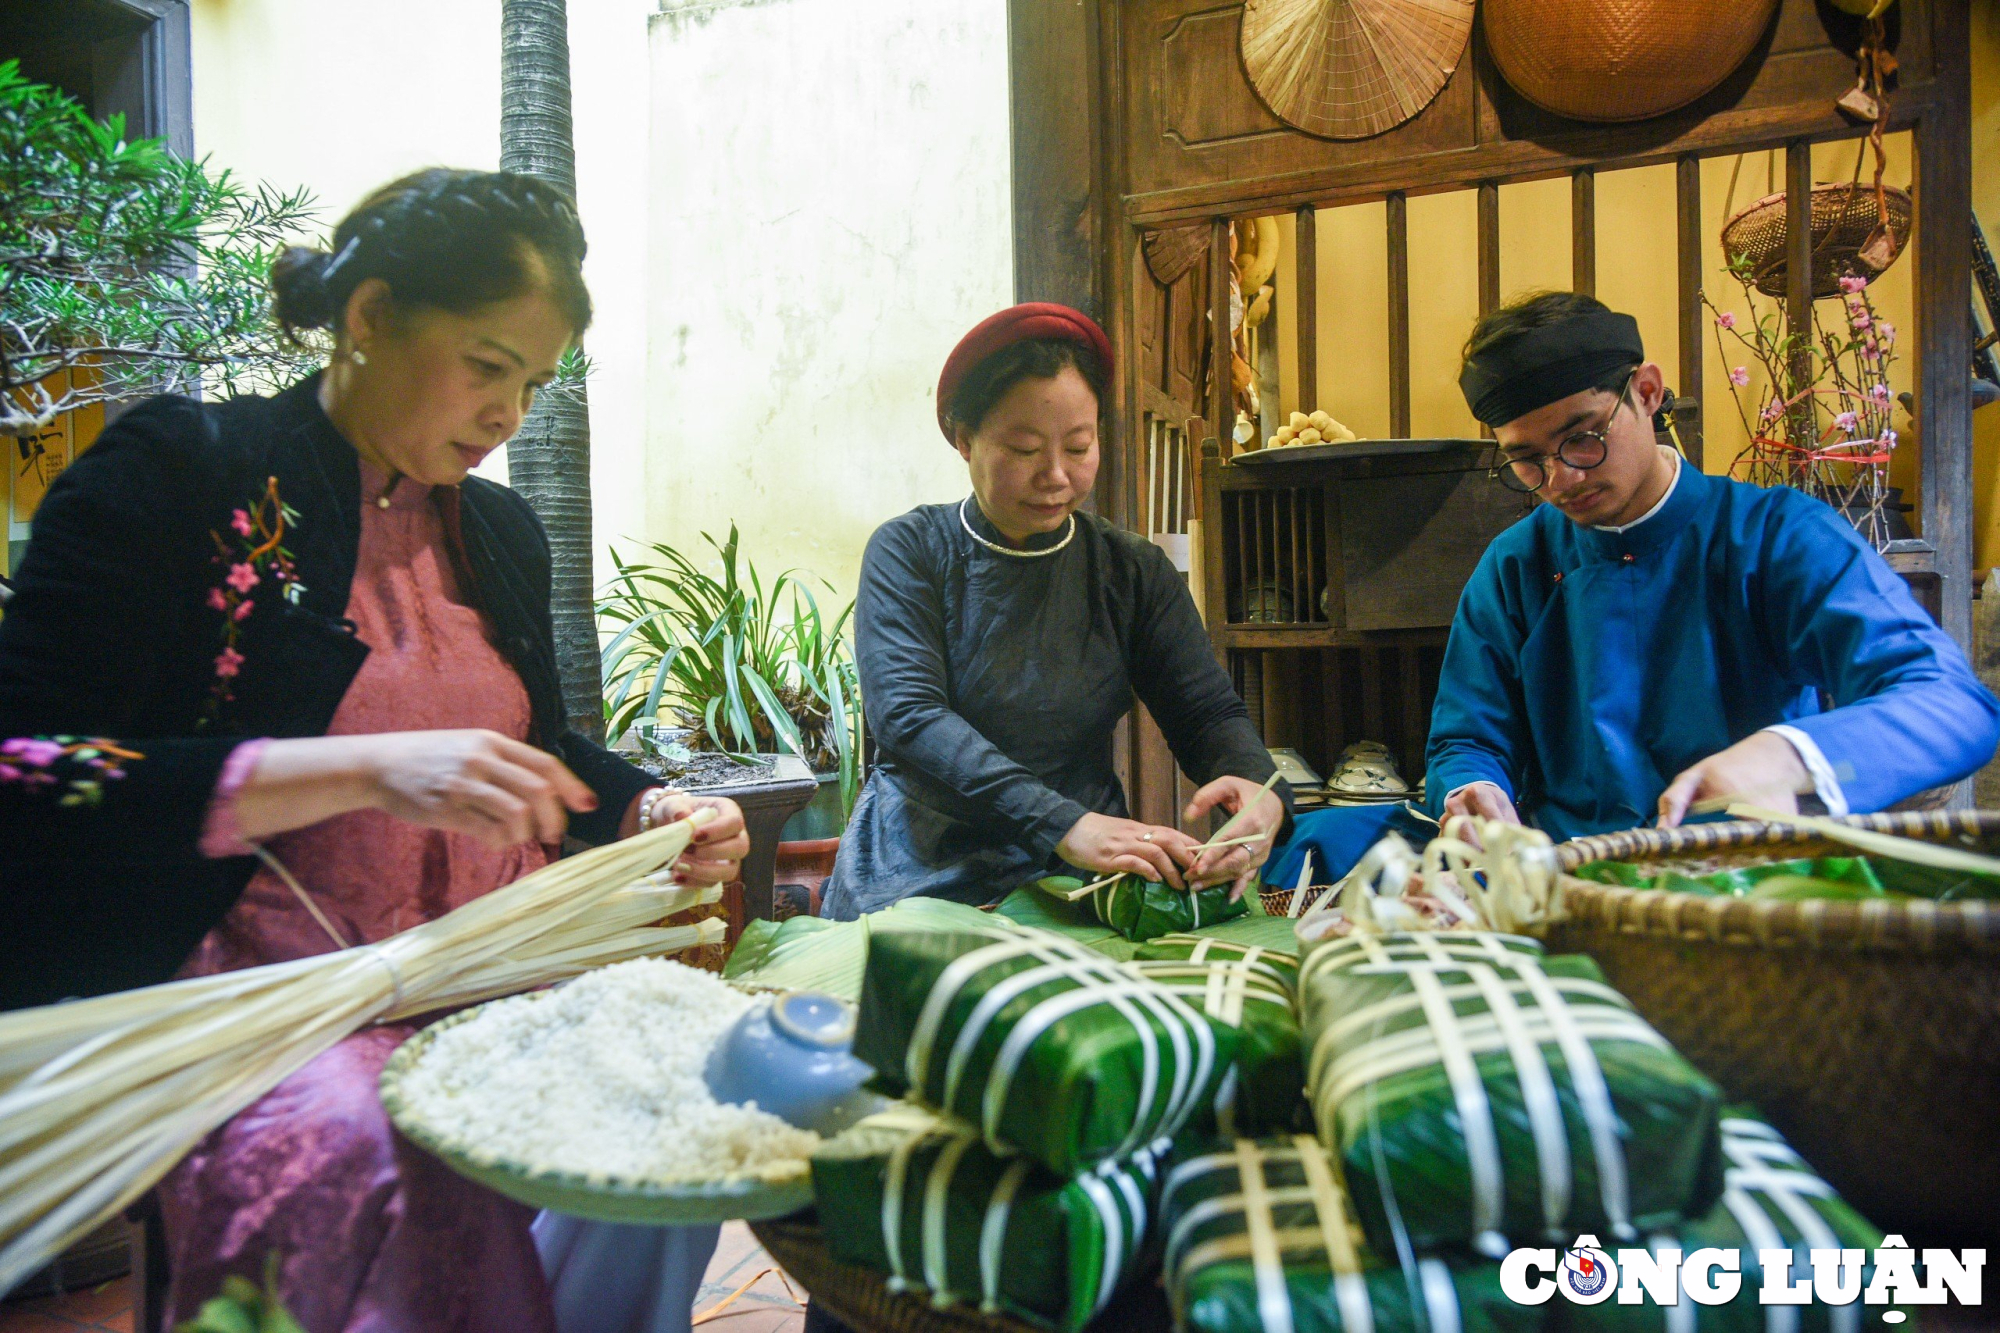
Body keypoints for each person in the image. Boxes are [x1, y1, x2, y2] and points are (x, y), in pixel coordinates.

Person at [0, 169, 749, 1332]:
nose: (509, 414)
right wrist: (360, 766)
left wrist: (648, 804)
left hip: (495, 968)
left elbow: (532, 745)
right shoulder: (183, 470)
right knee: (389, 1145)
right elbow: (26, 765)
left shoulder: (494, 525)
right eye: (487, 365)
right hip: (268, 998)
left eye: (533, 383)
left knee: (688, 1106)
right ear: (369, 317)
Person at [1265, 290, 1998, 886]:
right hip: (1558, 874)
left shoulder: (1776, 534)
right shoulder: (1515, 564)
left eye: (1583, 438)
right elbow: (1465, 737)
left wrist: (1786, 755)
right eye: (1526, 461)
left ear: (1646, 393)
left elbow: (1952, 704)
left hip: (1737, 869)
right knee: (1321, 833)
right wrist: (1469, 792)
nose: (1562, 481)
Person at [820, 303, 1289, 920]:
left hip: (1080, 875)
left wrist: (1258, 788)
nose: (1057, 476)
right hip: (919, 869)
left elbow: (1205, 711)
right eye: (1023, 448)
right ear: (964, 440)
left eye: (1079, 446)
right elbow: (910, 716)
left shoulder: (1132, 571)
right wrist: (1065, 822)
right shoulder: (910, 551)